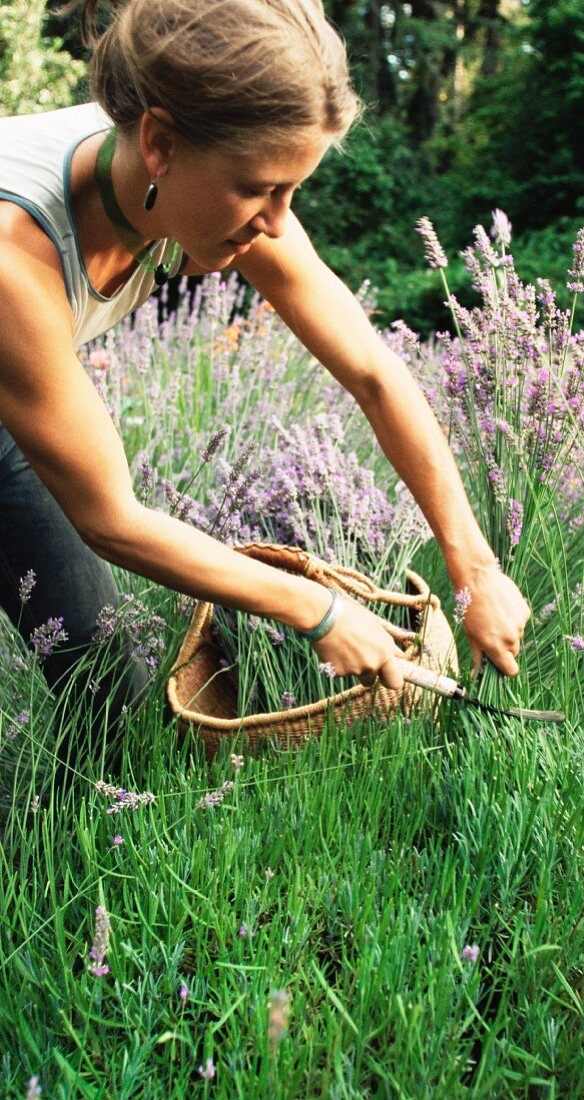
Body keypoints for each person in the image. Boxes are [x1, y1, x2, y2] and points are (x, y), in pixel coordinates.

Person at [0, 0, 530, 785]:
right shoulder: (15, 250)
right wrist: (313, 610)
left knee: (108, 687)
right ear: (159, 144)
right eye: (261, 189)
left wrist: (476, 568)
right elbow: (110, 518)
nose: (279, 224)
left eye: (294, 190)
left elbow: (375, 375)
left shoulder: (200, 173)